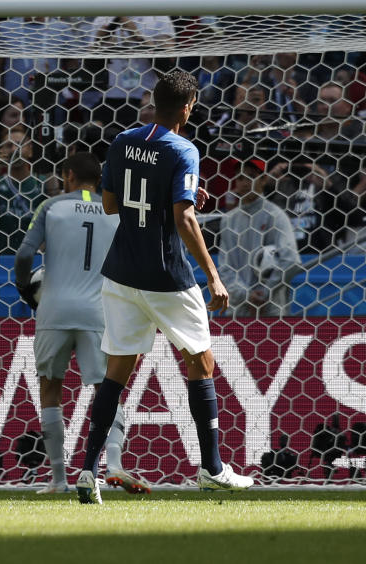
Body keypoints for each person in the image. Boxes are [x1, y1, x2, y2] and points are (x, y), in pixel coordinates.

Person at [75, 70, 254, 504]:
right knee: (202, 363)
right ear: (189, 107)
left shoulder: (122, 141)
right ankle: (212, 468)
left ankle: (87, 470)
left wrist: (172, 192)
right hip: (167, 276)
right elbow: (184, 219)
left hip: (120, 273)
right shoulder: (184, 149)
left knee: (116, 372)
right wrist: (212, 275)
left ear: (154, 101)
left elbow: (110, 204)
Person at [15, 153, 150, 495]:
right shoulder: (116, 211)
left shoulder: (52, 206)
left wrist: (25, 291)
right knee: (107, 389)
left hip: (54, 310)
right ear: (100, 180)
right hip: (98, 311)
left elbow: (23, 255)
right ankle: (115, 464)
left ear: (69, 176)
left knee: (50, 389)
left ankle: (58, 479)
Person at [217, 158, 300, 317]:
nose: (245, 182)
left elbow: (291, 260)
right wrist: (246, 295)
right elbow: (225, 266)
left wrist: (265, 292)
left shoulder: (276, 215)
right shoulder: (229, 219)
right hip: (238, 308)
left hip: (271, 309)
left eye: (251, 176)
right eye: (240, 178)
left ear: (263, 180)